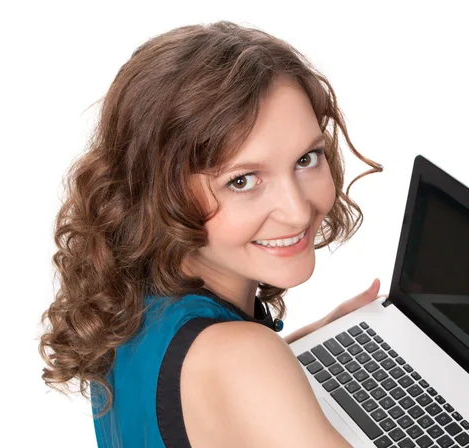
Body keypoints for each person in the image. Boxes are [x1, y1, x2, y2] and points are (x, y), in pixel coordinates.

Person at [39, 20, 384, 447]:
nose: (297, 213)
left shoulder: (128, 298)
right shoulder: (242, 360)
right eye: (242, 181)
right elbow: (238, 371)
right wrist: (267, 364)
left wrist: (310, 342)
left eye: (307, 159)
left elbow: (193, 397)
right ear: (162, 195)